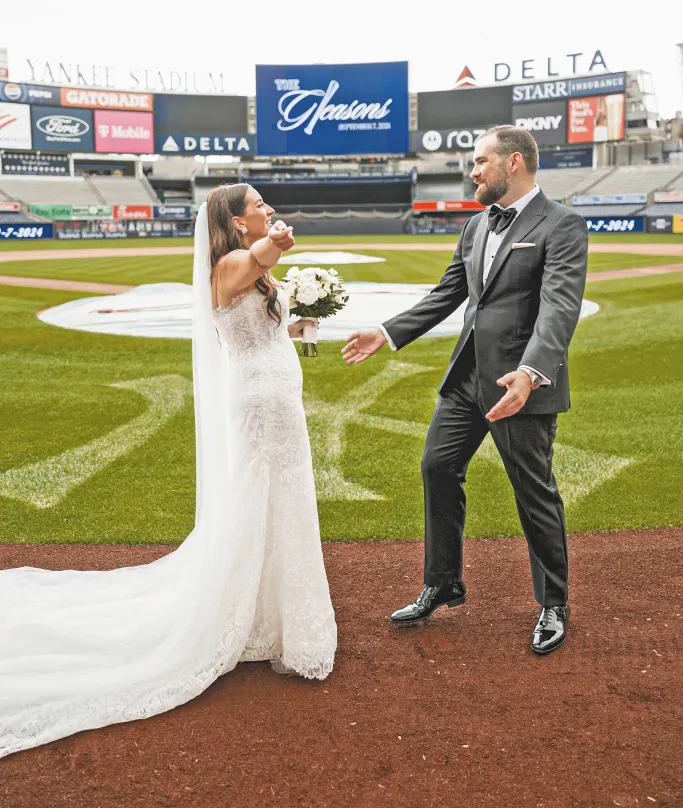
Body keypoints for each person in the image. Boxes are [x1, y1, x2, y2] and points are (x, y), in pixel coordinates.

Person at [0, 183, 336, 758]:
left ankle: (267, 614)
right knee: (264, 498)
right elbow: (261, 255)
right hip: (262, 402)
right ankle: (260, 619)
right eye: (256, 205)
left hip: (277, 392)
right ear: (234, 222)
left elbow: (261, 324)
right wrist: (276, 243)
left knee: (281, 499)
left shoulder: (244, 267)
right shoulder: (233, 262)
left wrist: (301, 323)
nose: (266, 209)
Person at [342, 125, 588, 655]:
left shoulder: (563, 225)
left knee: (533, 491)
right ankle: (443, 581)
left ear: (514, 162)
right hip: (467, 380)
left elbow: (559, 307)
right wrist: (385, 332)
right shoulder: (476, 227)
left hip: (517, 385)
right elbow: (448, 293)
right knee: (437, 465)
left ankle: (553, 603)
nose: (472, 172)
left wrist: (530, 372)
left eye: (480, 162)